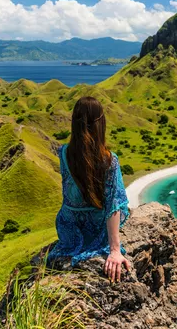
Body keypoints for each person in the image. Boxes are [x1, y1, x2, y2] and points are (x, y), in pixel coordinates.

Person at [49, 96, 131, 282]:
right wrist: (115, 250)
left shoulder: (63, 153)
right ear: (100, 124)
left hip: (67, 227)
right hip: (95, 228)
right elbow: (114, 205)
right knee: (121, 202)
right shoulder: (110, 160)